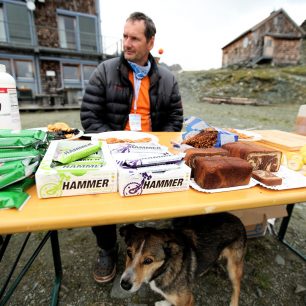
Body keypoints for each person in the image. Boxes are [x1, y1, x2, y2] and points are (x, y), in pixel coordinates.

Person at [80, 12, 183, 283]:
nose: (126, 43)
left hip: (152, 154)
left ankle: (158, 249)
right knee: (100, 197)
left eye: (134, 38)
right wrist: (117, 143)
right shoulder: (105, 70)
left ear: (150, 42)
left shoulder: (168, 79)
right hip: (113, 151)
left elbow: (175, 119)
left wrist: (158, 146)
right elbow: (89, 116)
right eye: (125, 36)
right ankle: (106, 247)